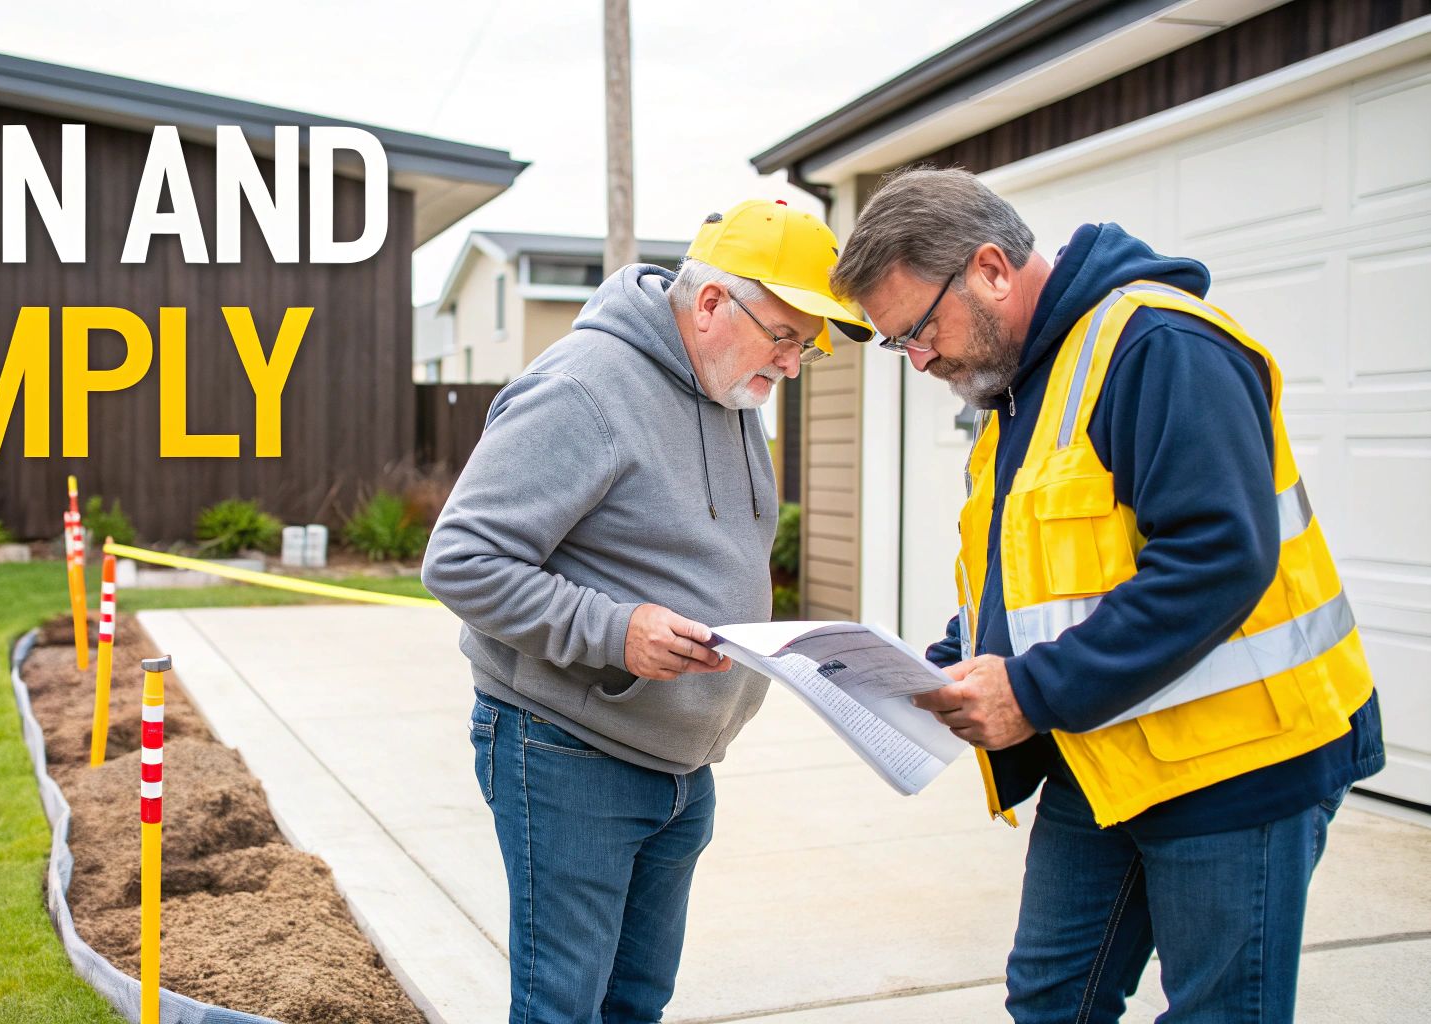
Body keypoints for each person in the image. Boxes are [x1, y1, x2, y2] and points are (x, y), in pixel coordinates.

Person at [829, 166, 1385, 1023]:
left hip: (1239, 760)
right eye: (900, 343)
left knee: (1217, 1012)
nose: (920, 357)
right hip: (1107, 752)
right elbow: (1039, 569)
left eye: (917, 329)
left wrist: (1030, 690)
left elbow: (1217, 557)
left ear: (990, 268)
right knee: (1052, 999)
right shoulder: (1024, 385)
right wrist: (940, 663)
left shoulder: (1159, 345)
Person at [421, 200, 872, 1023]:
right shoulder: (583, 389)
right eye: (785, 335)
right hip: (570, 753)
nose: (795, 362)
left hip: (680, 763)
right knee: (564, 1006)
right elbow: (461, 561)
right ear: (710, 304)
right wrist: (616, 631)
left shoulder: (731, 390)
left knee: (637, 1004)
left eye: (808, 344)